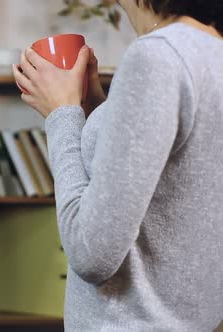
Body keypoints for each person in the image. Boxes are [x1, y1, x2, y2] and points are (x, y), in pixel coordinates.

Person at [13, 0, 222, 331]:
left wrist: (61, 116)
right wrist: (99, 111)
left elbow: (90, 253)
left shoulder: (156, 56)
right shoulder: (210, 50)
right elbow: (173, 188)